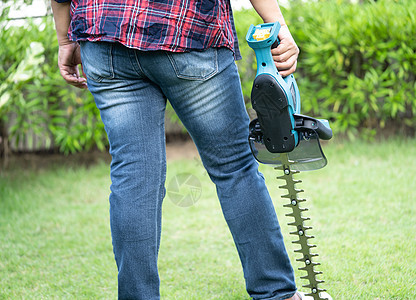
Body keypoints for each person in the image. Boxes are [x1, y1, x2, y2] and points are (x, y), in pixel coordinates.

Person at [51, 1, 317, 299]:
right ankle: (276, 295)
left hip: (105, 35)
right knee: (234, 168)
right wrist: (277, 23)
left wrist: (65, 38)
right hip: (187, 28)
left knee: (133, 176)